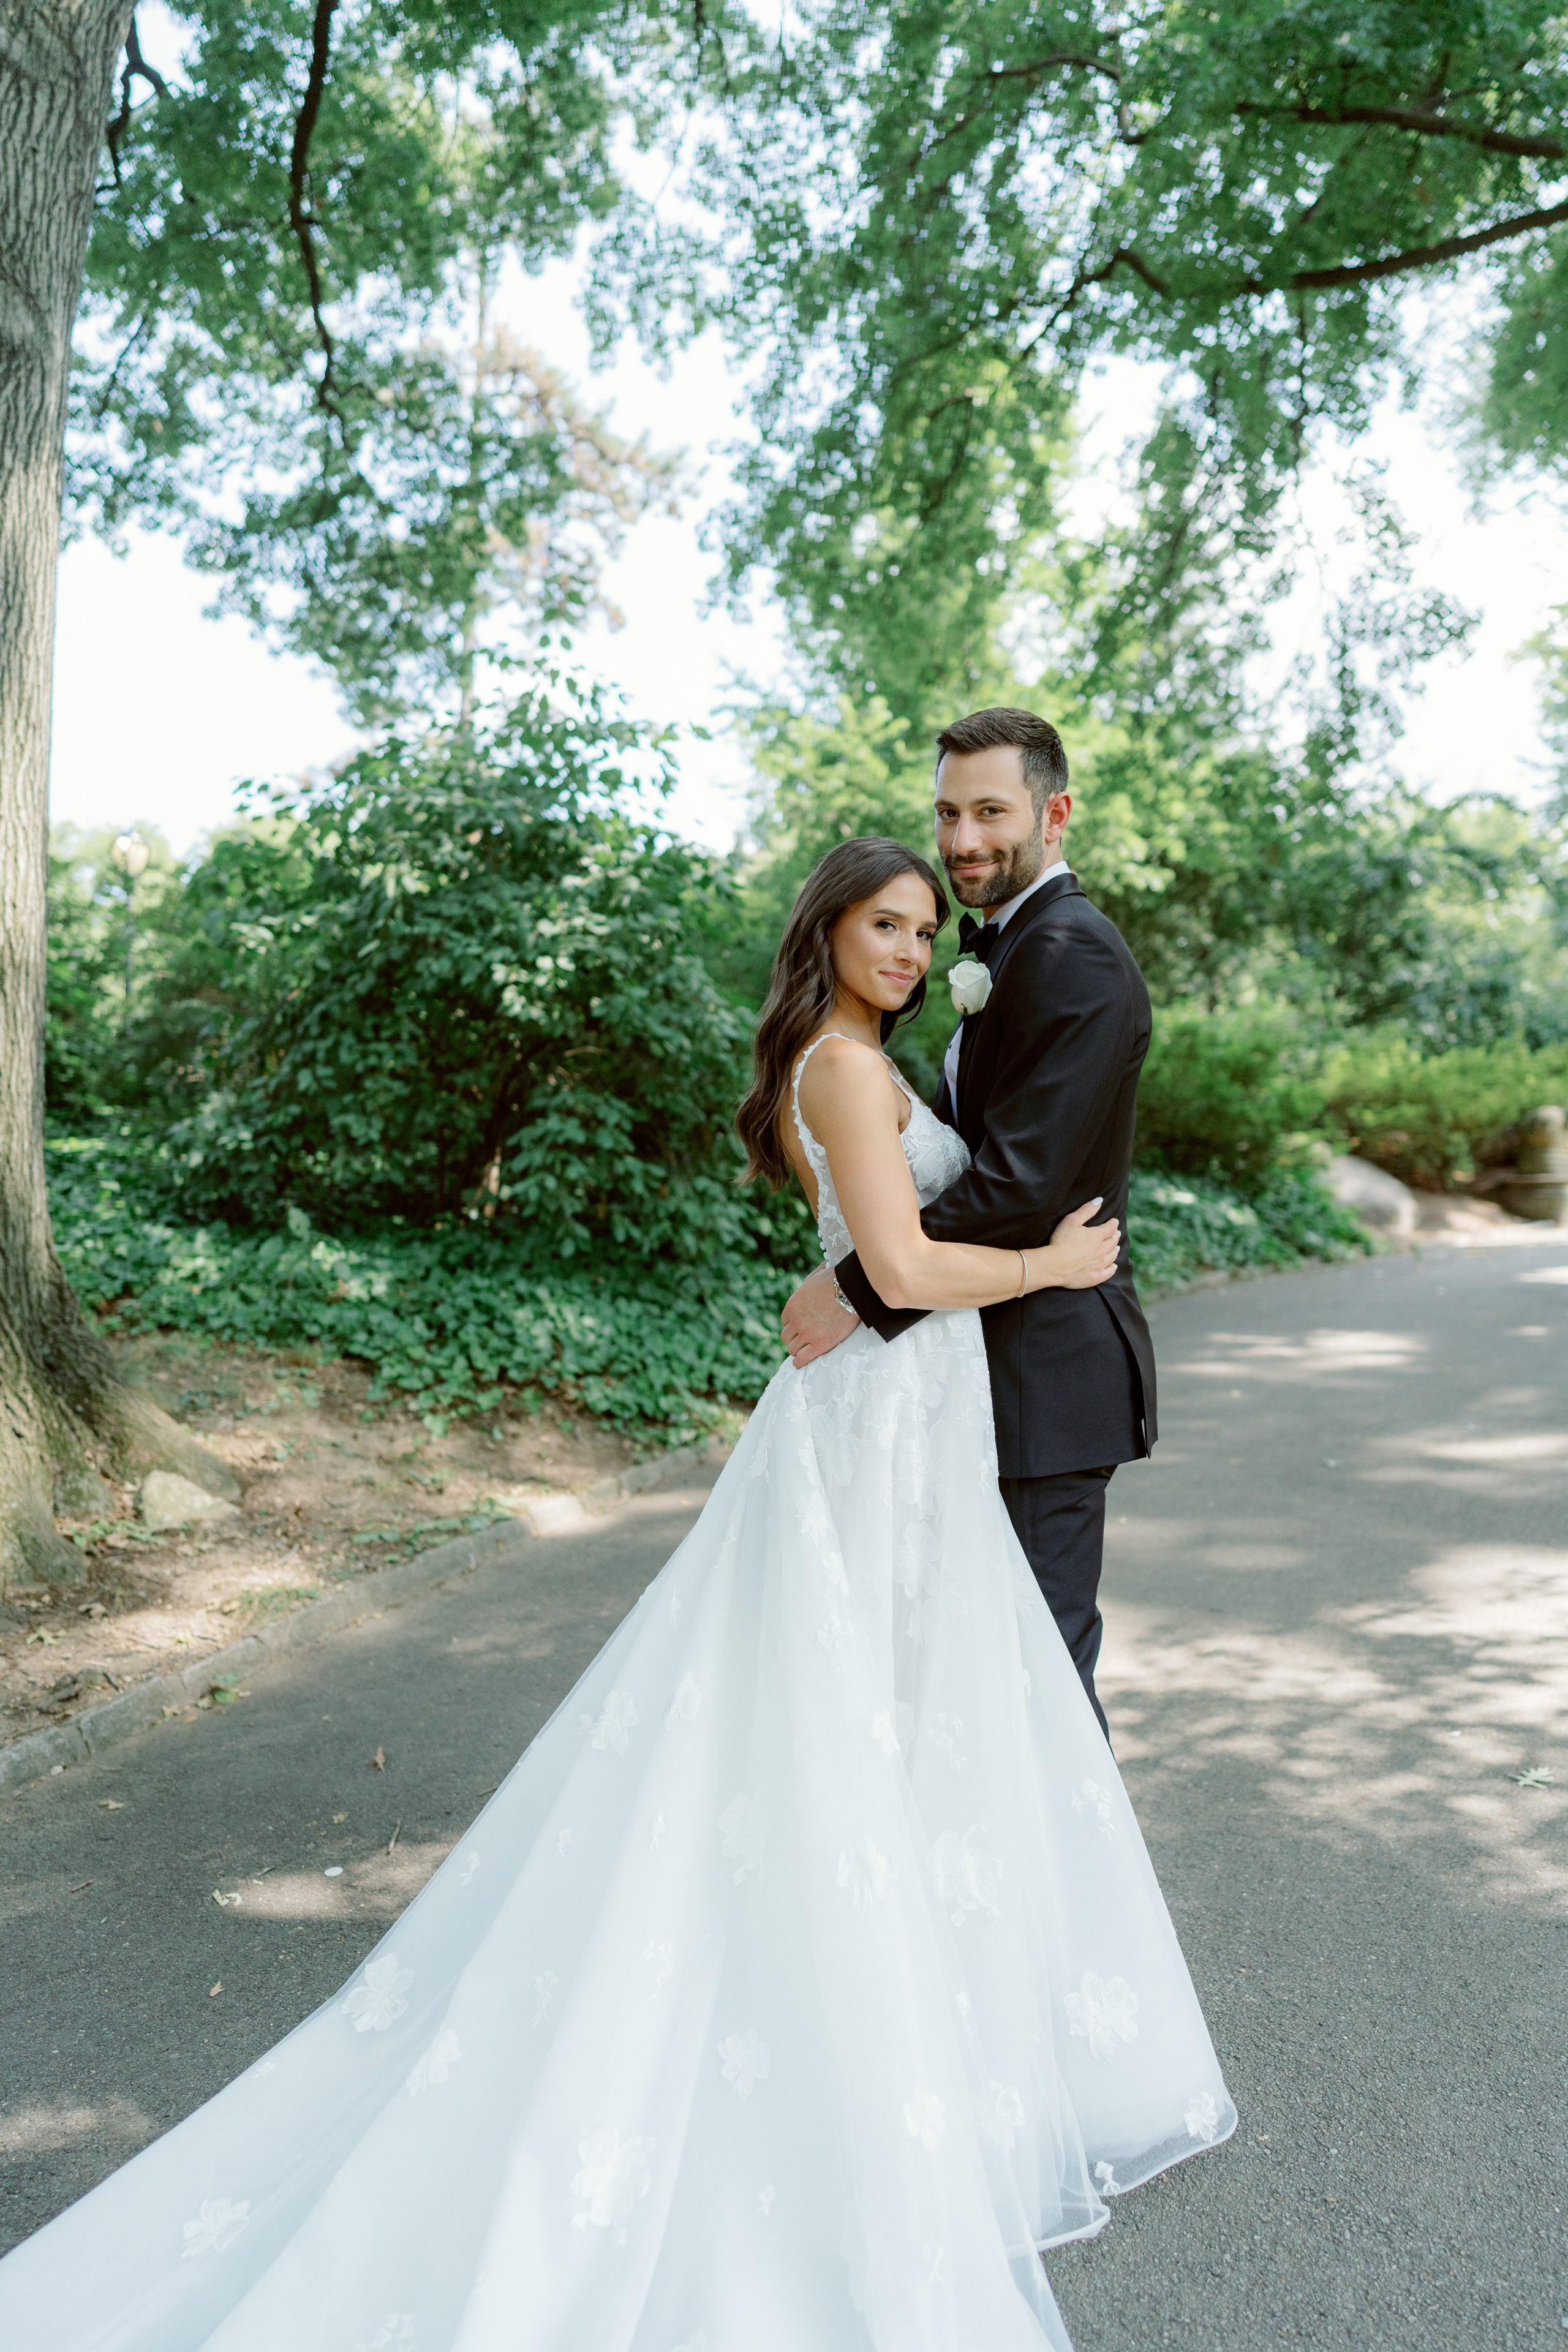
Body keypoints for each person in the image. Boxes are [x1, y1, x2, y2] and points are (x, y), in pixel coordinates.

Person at [0, 838, 1233, 2352]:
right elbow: (902, 1271)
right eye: (886, 926)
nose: (913, 951)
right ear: (829, 933)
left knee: (894, 1724)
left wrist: (910, 1275)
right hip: (871, 1433)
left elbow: (875, 1270)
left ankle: (923, 2025)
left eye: (925, 930)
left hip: (905, 1428)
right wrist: (1045, 1262)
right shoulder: (841, 1073)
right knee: (850, 1725)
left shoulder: (850, 1058)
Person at [782, 708, 1154, 1738]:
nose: (963, 841)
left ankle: (1077, 1902)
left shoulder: (1071, 952)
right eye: (948, 812)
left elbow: (1021, 1187)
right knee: (966, 1683)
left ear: (1055, 811)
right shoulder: (1013, 948)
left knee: (1035, 1691)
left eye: (991, 811)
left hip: (1045, 1373)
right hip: (964, 1376)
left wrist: (858, 1287)